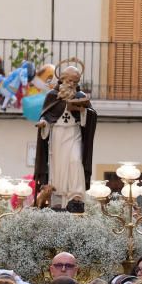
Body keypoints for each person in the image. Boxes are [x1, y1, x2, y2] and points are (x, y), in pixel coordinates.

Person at [34, 62, 97, 208]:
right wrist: (44, 124)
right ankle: (58, 199)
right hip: (57, 134)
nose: (72, 84)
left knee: (75, 161)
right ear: (62, 79)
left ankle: (76, 195)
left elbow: (92, 116)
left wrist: (82, 110)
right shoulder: (52, 95)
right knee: (58, 165)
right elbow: (46, 116)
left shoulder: (80, 95)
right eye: (69, 81)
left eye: (75, 82)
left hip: (74, 133)